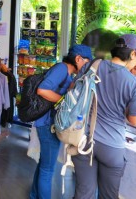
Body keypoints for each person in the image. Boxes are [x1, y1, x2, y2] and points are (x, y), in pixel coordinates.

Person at [72, 34, 136, 199]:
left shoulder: (92, 66)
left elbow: (74, 91)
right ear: (133, 53)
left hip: (83, 139)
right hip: (112, 145)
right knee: (108, 196)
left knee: (83, 193)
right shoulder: (134, 83)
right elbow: (135, 120)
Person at [30, 44, 92, 199]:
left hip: (47, 122)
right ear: (78, 59)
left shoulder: (67, 73)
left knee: (44, 164)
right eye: (87, 62)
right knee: (48, 169)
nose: (87, 66)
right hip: (46, 124)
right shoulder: (62, 69)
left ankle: (34, 195)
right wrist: (64, 102)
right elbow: (42, 90)